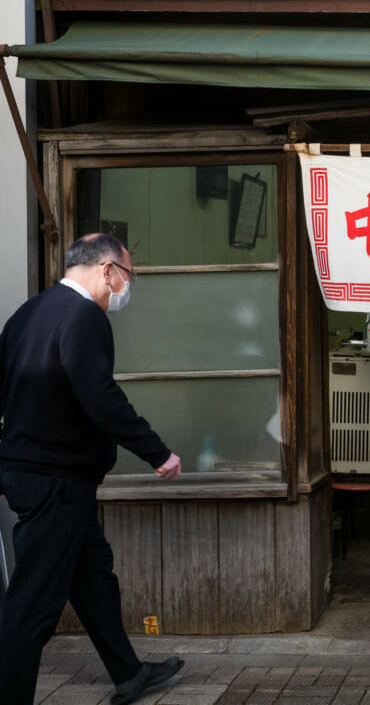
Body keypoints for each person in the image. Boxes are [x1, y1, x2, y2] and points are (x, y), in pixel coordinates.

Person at [0, 233, 185, 705]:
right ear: (107, 270)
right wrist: (157, 453)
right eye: (127, 276)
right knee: (33, 605)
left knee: (94, 577)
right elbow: (101, 399)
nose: (126, 287)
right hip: (55, 479)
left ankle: (129, 674)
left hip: (45, 475)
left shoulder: (27, 314)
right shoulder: (84, 316)